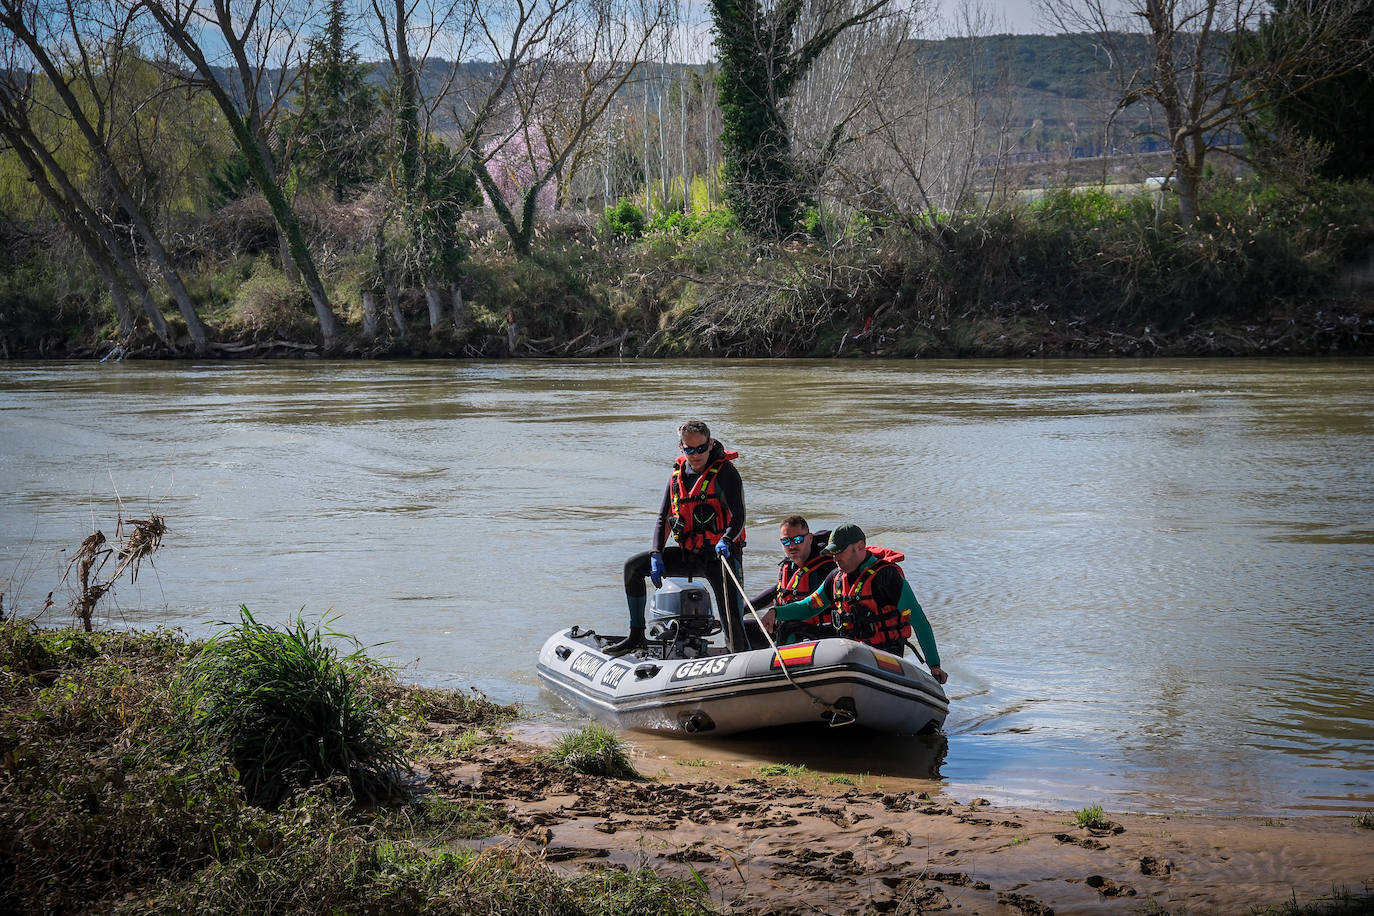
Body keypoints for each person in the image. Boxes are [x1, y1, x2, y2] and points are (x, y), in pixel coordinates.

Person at [608, 419, 750, 656]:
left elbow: (739, 517)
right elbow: (663, 518)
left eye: (701, 448)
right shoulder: (677, 474)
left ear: (710, 443)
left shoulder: (726, 473)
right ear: (681, 447)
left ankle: (739, 655)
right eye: (689, 449)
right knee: (633, 567)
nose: (696, 455)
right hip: (689, 553)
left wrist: (726, 539)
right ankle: (636, 637)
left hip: (721, 556)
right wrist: (656, 553)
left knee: (732, 617)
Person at [771, 523, 948, 684]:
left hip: (885, 655)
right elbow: (809, 607)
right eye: (832, 553)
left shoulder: (886, 578)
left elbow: (918, 621)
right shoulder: (836, 578)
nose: (835, 558)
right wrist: (775, 612)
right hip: (851, 653)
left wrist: (934, 665)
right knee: (790, 628)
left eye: (840, 552)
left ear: (860, 547)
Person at [750, 515, 837, 644]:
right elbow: (778, 592)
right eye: (786, 541)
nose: (791, 546)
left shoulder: (827, 568)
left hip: (816, 633)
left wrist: (776, 612)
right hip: (783, 625)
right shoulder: (790, 566)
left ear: (810, 538)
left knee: (789, 628)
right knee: (742, 626)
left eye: (797, 540)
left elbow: (809, 607)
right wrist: (743, 609)